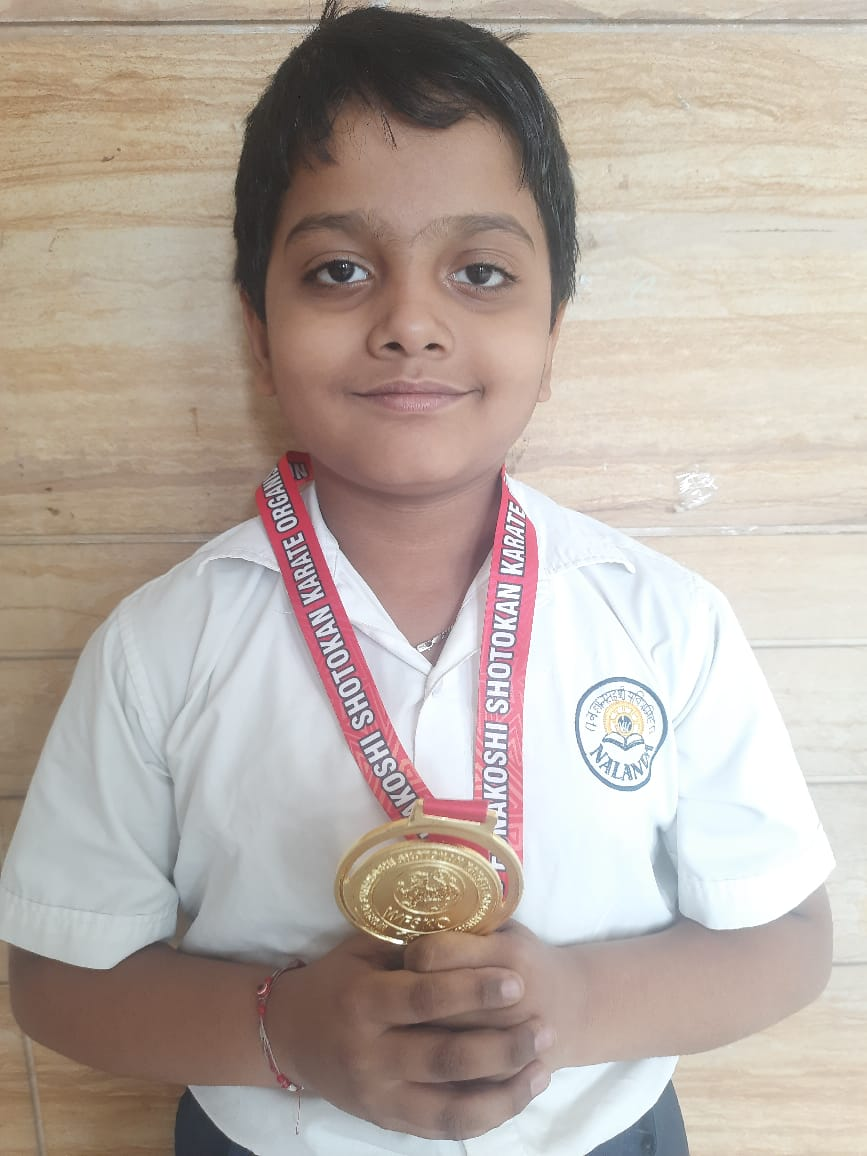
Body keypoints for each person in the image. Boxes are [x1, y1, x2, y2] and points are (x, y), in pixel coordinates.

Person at [0, 5, 834, 1155]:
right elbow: (56, 978)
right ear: (258, 331)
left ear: (553, 333)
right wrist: (285, 1028)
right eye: (339, 270)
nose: (410, 323)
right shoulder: (162, 643)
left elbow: (788, 938)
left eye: (480, 272)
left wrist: (577, 1004)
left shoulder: (664, 621)